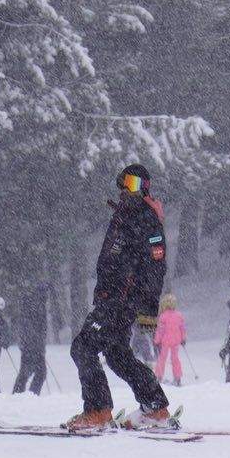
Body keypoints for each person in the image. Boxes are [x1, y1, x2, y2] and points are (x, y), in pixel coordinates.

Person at [66, 162, 176, 431]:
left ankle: (98, 411)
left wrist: (149, 310)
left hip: (122, 300)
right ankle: (155, 408)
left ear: (145, 189)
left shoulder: (146, 220)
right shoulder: (123, 216)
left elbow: (155, 268)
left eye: (135, 184)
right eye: (125, 183)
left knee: (83, 347)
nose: (128, 190)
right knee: (117, 354)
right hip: (109, 298)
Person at [11, 283, 49, 394]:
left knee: (28, 372)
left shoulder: (37, 303)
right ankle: (30, 395)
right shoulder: (36, 304)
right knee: (39, 372)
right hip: (32, 345)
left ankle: (22, 394)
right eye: (46, 292)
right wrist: (37, 341)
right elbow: (27, 324)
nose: (47, 295)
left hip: (30, 344)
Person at [153, 292, 187, 387]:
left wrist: (156, 340)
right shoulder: (179, 315)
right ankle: (177, 378)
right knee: (175, 359)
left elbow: (160, 330)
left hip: (165, 341)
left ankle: (158, 377)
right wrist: (183, 339)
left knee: (162, 359)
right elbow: (182, 328)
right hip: (176, 341)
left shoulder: (163, 316)